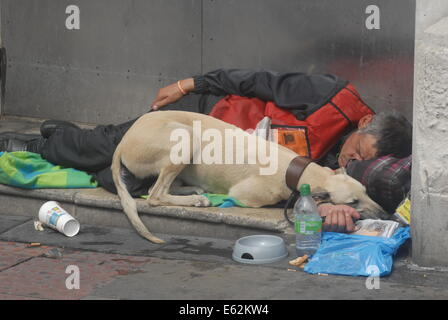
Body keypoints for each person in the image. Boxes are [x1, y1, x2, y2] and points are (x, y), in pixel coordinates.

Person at [0, 69, 412, 232]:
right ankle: (34, 144)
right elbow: (254, 80)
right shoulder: (331, 96)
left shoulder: (333, 166)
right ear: (363, 124)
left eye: (359, 164)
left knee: (112, 170)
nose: (350, 161)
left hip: (213, 161)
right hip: (207, 117)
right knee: (105, 144)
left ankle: (61, 135)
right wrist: (190, 84)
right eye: (359, 151)